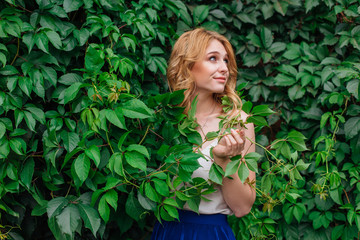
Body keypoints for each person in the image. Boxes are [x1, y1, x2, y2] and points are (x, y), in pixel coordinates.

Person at [151, 28, 256, 240]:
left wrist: (224, 160)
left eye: (226, 60)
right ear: (187, 65)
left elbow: (242, 207)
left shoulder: (237, 122)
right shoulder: (164, 120)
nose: (224, 68)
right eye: (213, 58)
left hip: (210, 232)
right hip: (167, 229)